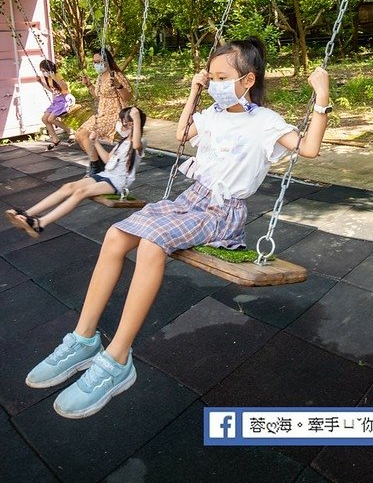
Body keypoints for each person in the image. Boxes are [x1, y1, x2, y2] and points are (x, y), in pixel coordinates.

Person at [23, 37, 331, 419]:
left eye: (222, 77)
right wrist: (193, 91)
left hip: (222, 211)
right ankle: (83, 339)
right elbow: (183, 134)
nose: (214, 82)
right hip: (191, 199)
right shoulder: (212, 114)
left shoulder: (265, 123)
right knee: (116, 234)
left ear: (248, 80)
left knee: (152, 244)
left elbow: (309, 148)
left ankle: (117, 359)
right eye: (211, 76)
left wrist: (321, 98)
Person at [5, 106, 146, 238]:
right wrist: (95, 142)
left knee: (80, 192)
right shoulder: (122, 142)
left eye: (123, 122)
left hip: (117, 183)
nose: (120, 124)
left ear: (132, 124)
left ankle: (40, 223)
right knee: (68, 187)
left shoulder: (140, 142)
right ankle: (26, 214)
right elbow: (108, 160)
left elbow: (136, 144)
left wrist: (137, 118)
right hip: (105, 176)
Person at [76, 49, 132, 175]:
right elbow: (98, 95)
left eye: (99, 61)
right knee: (79, 135)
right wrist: (88, 84)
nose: (97, 64)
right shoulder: (100, 77)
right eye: (94, 62)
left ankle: (96, 167)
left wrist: (119, 85)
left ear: (107, 61)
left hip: (115, 114)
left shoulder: (116, 75)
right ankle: (98, 163)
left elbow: (128, 97)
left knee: (85, 134)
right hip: (101, 114)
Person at [38, 59, 73, 149]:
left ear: (48, 69)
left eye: (44, 71)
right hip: (56, 101)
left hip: (64, 100)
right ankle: (55, 139)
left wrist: (55, 78)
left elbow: (65, 87)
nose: (43, 73)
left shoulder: (57, 75)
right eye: (42, 71)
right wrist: (41, 83)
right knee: (44, 119)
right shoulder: (49, 78)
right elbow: (52, 90)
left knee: (51, 119)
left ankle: (70, 131)